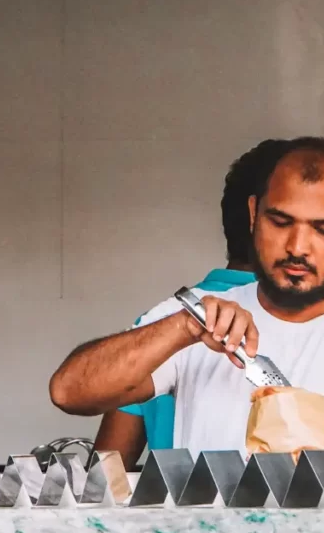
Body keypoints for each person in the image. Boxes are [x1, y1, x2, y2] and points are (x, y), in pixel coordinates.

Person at [50, 137, 324, 458]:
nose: (298, 247)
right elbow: (69, 392)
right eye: (281, 221)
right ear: (254, 214)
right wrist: (182, 327)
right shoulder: (195, 320)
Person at [93, 139, 291, 469]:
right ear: (256, 215)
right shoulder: (318, 322)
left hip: (175, 518)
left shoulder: (157, 325)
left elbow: (106, 471)